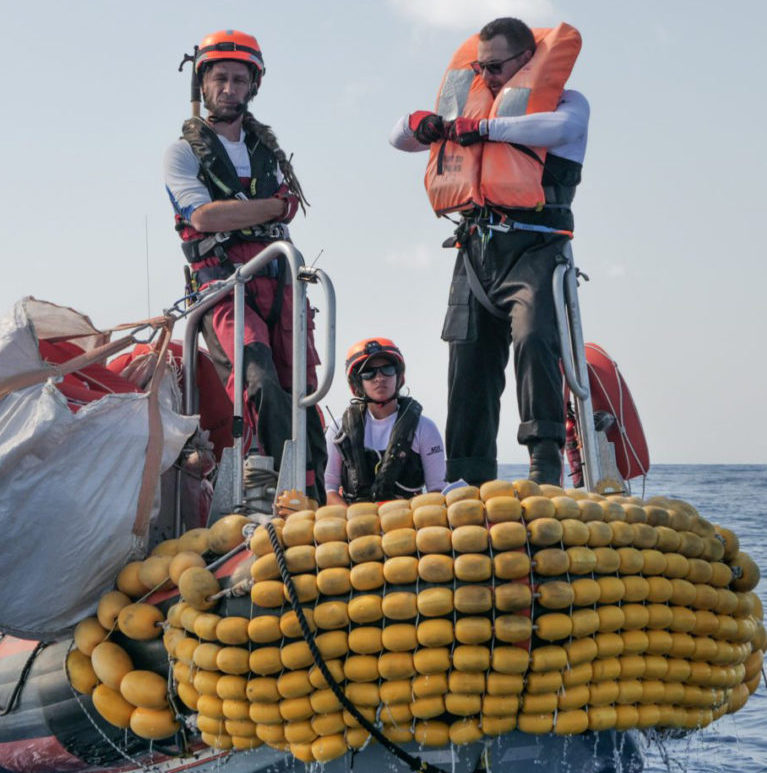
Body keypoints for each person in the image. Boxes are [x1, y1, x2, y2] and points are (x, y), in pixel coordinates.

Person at [389, 17, 589, 486]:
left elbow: (559, 128)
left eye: (495, 67)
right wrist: (420, 124)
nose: (487, 78)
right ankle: (466, 474)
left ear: (527, 60)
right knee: (467, 363)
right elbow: (397, 137)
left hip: (537, 248)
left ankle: (544, 465)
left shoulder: (567, 104)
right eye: (480, 68)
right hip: (476, 252)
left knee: (536, 340)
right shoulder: (466, 110)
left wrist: (484, 128)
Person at [164, 29, 326, 502]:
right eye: (220, 79)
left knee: (302, 389)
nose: (229, 89)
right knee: (255, 375)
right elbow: (204, 216)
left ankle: (311, 498)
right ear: (204, 84)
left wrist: (248, 212)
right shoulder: (183, 153)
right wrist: (272, 209)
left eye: (239, 80)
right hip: (221, 285)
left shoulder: (269, 155)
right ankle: (266, 488)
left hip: (278, 282)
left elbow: (240, 211)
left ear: (252, 86)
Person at [325, 338, 446, 505]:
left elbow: (437, 489)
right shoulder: (338, 429)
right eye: (369, 373)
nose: (379, 378)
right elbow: (329, 488)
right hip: (354, 525)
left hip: (407, 526)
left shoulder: (425, 428)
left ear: (398, 376)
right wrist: (353, 521)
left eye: (387, 369)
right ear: (358, 383)